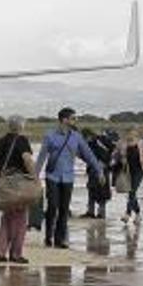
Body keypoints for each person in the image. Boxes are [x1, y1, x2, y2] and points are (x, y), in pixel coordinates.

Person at [34, 107, 103, 249]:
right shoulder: (50, 135)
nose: (75, 120)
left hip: (68, 177)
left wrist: (99, 171)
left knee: (64, 209)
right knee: (52, 206)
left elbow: (88, 154)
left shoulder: (76, 137)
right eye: (73, 118)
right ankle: (48, 235)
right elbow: (41, 157)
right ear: (64, 120)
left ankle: (60, 240)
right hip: (52, 176)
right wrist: (35, 176)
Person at [0, 116, 36, 264]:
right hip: (19, 182)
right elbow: (27, 159)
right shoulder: (22, 141)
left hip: (5, 181)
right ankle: (16, 254)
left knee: (6, 218)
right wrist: (35, 178)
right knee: (21, 219)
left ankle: (0, 251)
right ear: (21, 126)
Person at [115, 127, 143, 225]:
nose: (132, 136)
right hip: (127, 171)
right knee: (131, 193)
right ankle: (138, 214)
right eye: (130, 134)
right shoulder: (122, 144)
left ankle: (127, 214)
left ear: (137, 136)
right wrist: (118, 160)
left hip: (139, 171)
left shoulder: (141, 144)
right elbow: (115, 155)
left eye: (134, 134)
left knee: (132, 191)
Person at [81, 128, 115, 219]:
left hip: (103, 168)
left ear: (88, 136)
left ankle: (101, 213)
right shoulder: (90, 143)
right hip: (93, 168)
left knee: (102, 190)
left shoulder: (100, 140)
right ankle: (91, 212)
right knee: (91, 188)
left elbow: (111, 151)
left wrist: (105, 162)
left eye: (84, 138)